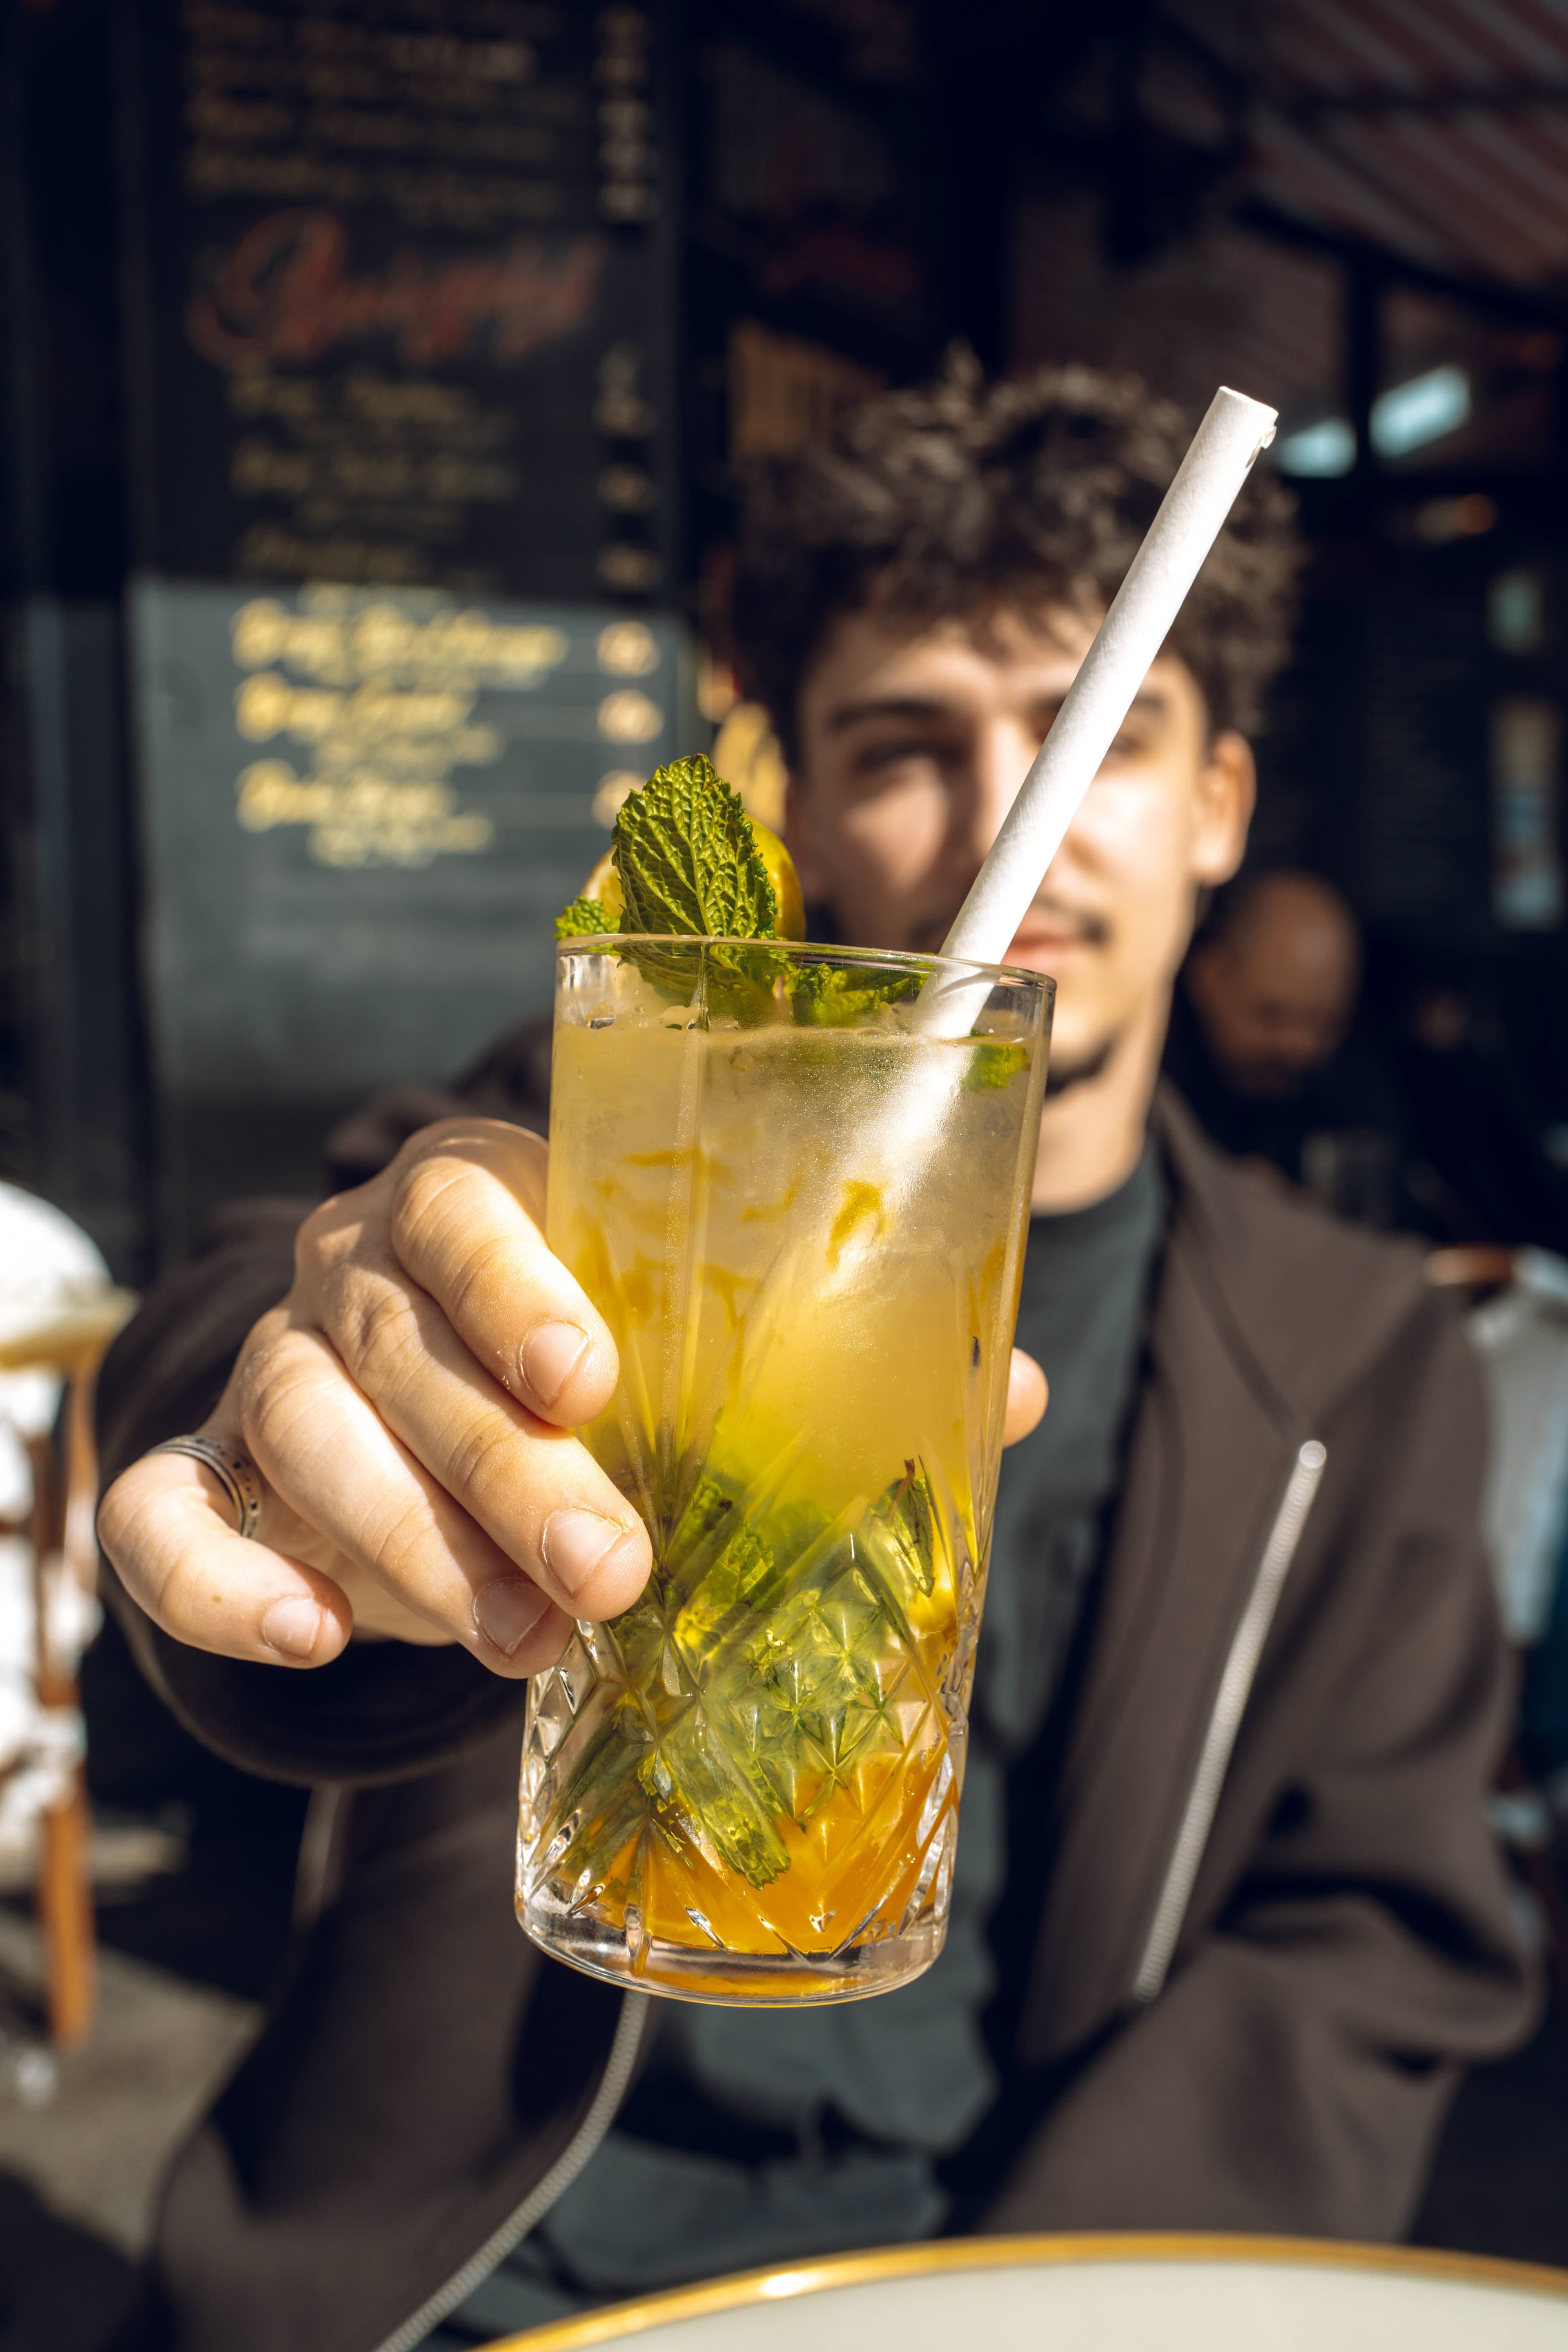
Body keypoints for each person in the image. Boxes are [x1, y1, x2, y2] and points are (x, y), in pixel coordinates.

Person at [96, 360, 1533, 2352]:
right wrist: (286, 1440)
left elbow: (1371, 1940)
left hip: (999, 2288)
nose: (999, 820)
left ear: (1217, 805)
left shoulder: (1365, 1360)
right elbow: (265, 1309)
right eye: (904, 742)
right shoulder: (598, 1156)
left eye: (1089, 738)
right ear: (806, 807)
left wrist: (1060, 2308)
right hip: (440, 2293)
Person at [1163, 868, 1408, 1220]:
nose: (1298, 1047)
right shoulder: (1146, 1079)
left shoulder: (1359, 1090)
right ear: (1208, 977)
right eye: (1271, 1016)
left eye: (1323, 1024)